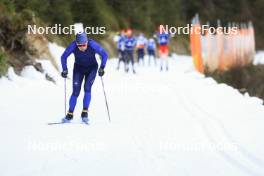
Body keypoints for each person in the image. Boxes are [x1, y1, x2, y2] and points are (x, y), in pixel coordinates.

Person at [60, 32, 108, 124]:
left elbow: (104, 54)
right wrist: (65, 69)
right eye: (79, 45)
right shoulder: (73, 46)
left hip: (92, 68)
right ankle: (69, 114)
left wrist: (102, 67)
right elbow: (63, 57)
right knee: (75, 92)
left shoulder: (92, 44)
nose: (82, 47)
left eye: (84, 45)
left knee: (87, 88)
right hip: (78, 69)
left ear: (87, 42)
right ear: (76, 44)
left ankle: (84, 113)